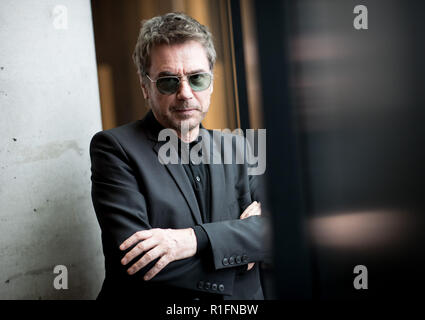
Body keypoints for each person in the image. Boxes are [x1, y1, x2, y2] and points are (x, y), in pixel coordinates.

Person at [90, 12, 269, 301]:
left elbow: (280, 232)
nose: (185, 93)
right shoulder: (114, 149)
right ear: (145, 87)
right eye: (169, 82)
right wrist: (239, 248)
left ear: (210, 82)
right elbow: (141, 262)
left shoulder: (237, 147)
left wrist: (191, 240)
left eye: (197, 78)